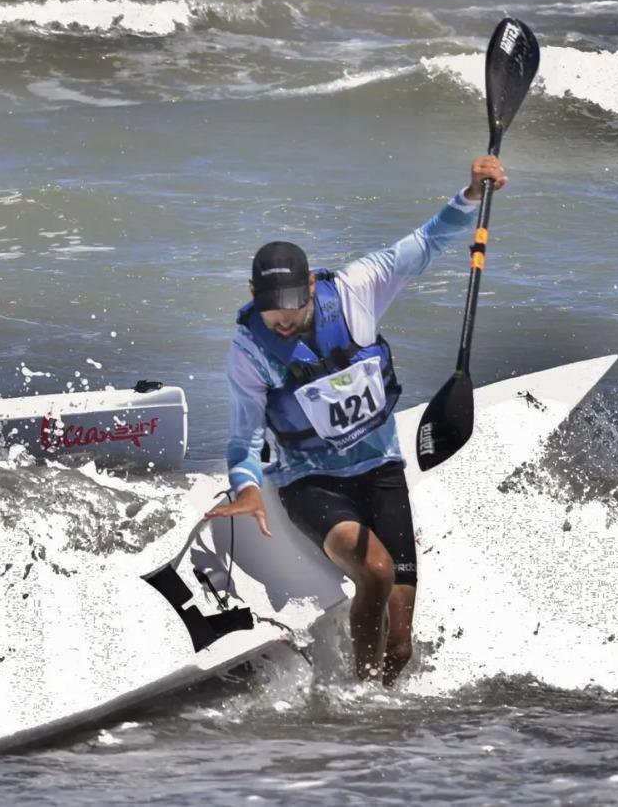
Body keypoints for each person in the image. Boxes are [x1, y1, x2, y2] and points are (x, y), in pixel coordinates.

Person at [205, 156, 508, 686]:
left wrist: (470, 192)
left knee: (401, 644)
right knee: (376, 570)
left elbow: (426, 242)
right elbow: (244, 435)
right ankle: (359, 696)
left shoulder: (354, 290)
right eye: (274, 312)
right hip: (310, 480)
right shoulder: (247, 351)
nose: (285, 322)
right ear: (255, 297)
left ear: (310, 288)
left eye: (294, 310)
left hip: (382, 467)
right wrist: (246, 487)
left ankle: (377, 704)